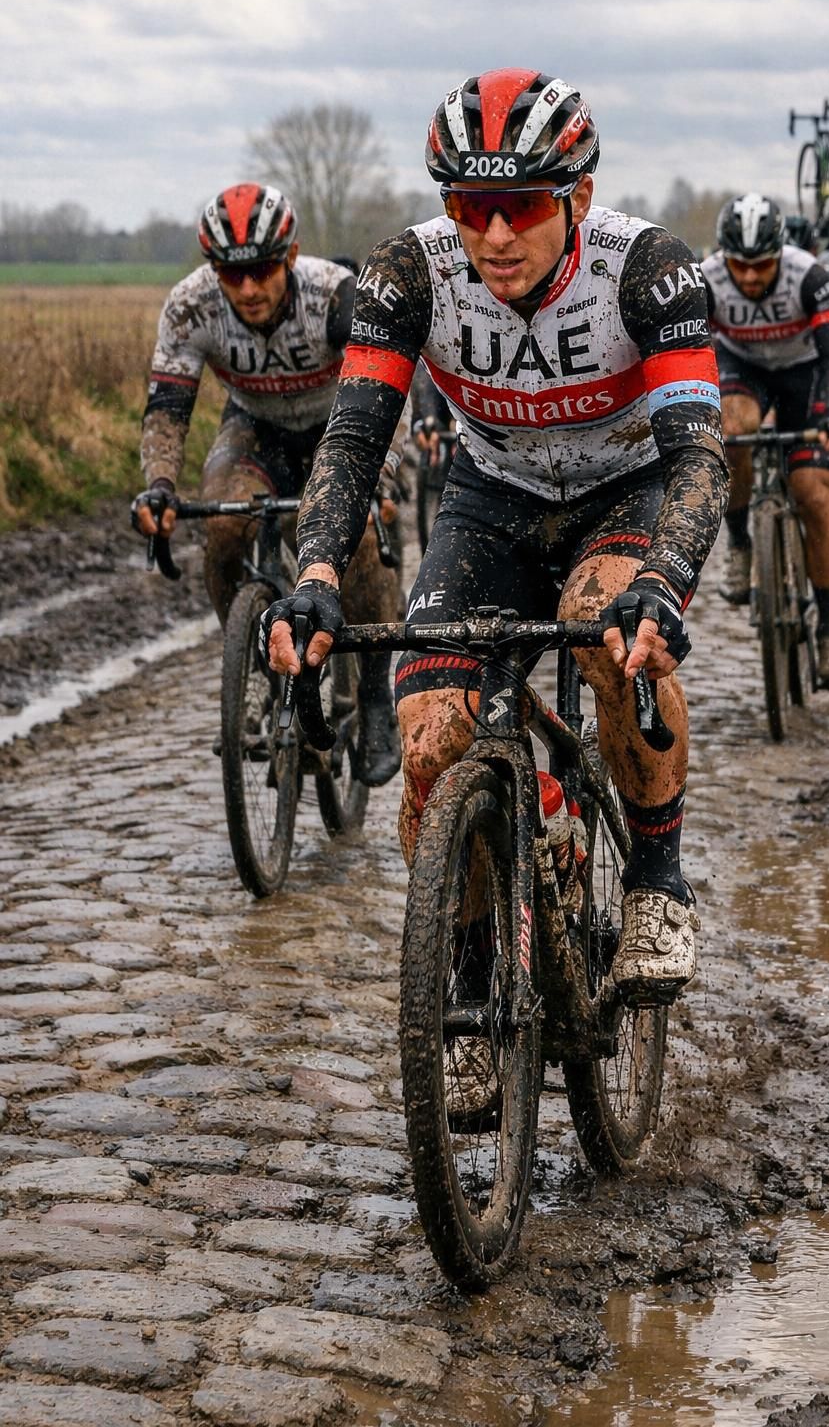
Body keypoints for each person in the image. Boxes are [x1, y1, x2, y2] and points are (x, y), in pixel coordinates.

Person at [265, 68, 728, 1002]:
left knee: (607, 629)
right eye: (473, 207)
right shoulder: (408, 274)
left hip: (624, 490)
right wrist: (315, 570)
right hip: (491, 498)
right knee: (434, 741)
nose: (496, 234)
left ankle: (655, 880)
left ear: (578, 195)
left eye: (520, 205)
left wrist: (665, 579)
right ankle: (474, 978)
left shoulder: (644, 270)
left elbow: (700, 458)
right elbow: (354, 438)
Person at [130, 182, 403, 785]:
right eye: (232, 274)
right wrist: (161, 487)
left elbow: (388, 387)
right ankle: (254, 653)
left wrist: (380, 478)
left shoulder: (333, 296)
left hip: (342, 424)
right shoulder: (190, 306)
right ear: (213, 270)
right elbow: (168, 408)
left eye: (260, 271)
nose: (248, 289)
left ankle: (378, 695)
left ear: (289, 255)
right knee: (225, 524)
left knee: (353, 537)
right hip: (255, 428)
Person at [702, 193, 829, 690]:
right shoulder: (707, 280)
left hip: (803, 374)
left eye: (760, 266)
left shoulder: (811, 278)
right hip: (742, 368)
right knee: (731, 430)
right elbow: (691, 352)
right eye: (738, 266)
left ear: (780, 253)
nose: (748, 278)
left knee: (812, 493)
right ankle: (742, 543)